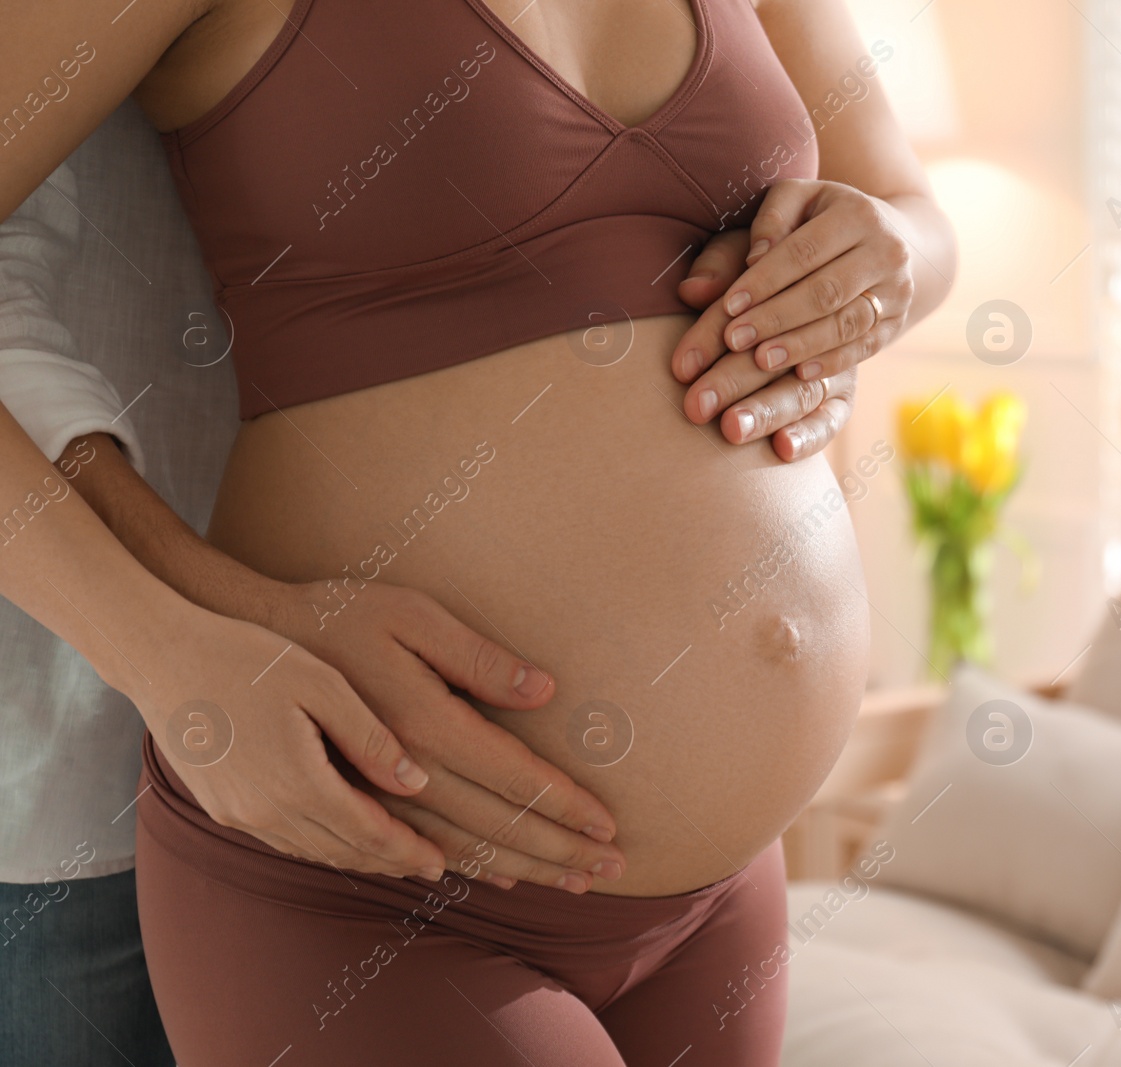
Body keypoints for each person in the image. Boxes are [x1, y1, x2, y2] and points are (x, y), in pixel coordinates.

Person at [0, 0, 955, 1063]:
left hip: (721, 897)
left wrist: (891, 259)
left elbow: (906, 204)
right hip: (375, 869)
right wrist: (166, 652)